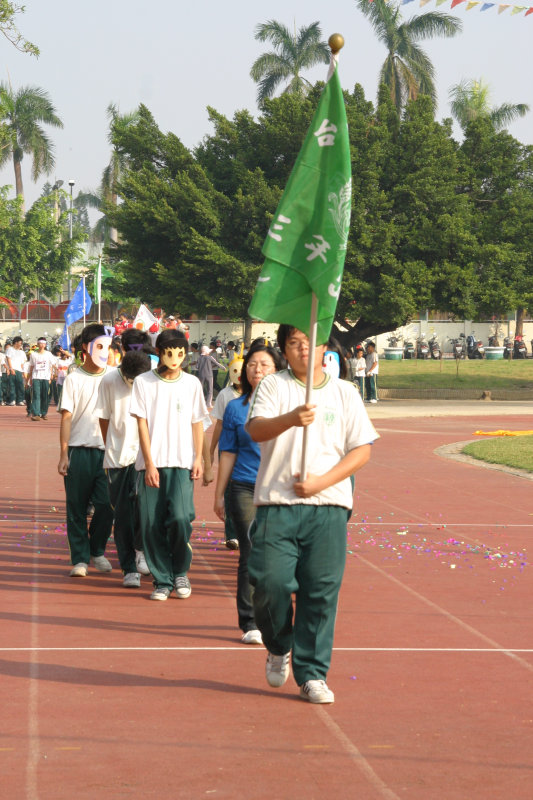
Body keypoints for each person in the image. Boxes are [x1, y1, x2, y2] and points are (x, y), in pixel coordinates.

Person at [246, 324, 378, 704]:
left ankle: (313, 673)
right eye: (294, 344)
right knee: (269, 584)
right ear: (284, 349)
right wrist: (291, 418)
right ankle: (278, 643)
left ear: (325, 348)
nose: (303, 350)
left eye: (310, 343)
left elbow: (361, 450)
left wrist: (321, 483)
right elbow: (255, 429)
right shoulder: (274, 386)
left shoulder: (344, 392)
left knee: (320, 593)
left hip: (328, 506)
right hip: (277, 503)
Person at [130, 329, 207, 601]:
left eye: (180, 353)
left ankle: (180, 571)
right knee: (151, 523)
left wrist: (199, 458)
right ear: (159, 353)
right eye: (169, 352)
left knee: (181, 517)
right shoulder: (143, 383)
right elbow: (142, 424)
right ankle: (162, 580)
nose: (175, 358)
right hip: (152, 464)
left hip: (183, 463)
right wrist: (149, 463)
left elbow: (198, 423)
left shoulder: (192, 384)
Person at [214, 344, 283, 644]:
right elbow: (227, 452)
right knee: (251, 551)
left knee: (280, 555)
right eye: (253, 364)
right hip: (243, 486)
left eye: (265, 365)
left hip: (280, 487)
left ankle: (276, 613)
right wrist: (219, 494)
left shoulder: (287, 406)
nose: (258, 370)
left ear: (276, 370)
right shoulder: (235, 407)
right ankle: (250, 621)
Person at [57, 323, 115, 577]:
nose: (104, 351)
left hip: (108, 452)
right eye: (99, 346)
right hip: (79, 451)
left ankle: (97, 550)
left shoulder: (114, 376)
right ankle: (80, 558)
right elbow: (66, 417)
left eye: (107, 346)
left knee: (107, 505)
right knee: (77, 507)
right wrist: (63, 453)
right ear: (86, 347)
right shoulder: (73, 378)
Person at [97, 349, 152, 588]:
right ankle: (129, 568)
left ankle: (141, 550)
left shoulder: (150, 381)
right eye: (130, 379)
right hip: (117, 457)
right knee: (122, 515)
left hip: (144, 456)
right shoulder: (108, 381)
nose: (133, 384)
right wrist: (111, 443)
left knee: (143, 507)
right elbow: (103, 417)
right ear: (123, 371)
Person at [209, 347, 245, 549]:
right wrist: (211, 450)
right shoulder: (225, 394)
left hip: (248, 449)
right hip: (228, 448)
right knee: (230, 491)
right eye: (236, 371)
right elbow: (219, 424)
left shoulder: (257, 393)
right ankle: (232, 534)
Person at [28, 336, 56, 420]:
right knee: (36, 395)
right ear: (37, 344)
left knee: (45, 395)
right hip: (36, 377)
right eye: (41, 343)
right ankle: (36, 414)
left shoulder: (49, 354)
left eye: (44, 343)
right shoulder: (33, 354)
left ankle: (44, 413)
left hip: (46, 377)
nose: (42, 345)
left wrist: (52, 375)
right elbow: (31, 366)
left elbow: (53, 364)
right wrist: (29, 378)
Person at [196, 345, 226, 409]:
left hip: (201, 375)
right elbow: (217, 363)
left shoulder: (199, 358)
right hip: (209, 375)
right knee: (210, 390)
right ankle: (208, 403)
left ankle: (199, 402)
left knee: (201, 389)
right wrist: (223, 368)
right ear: (207, 352)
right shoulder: (209, 357)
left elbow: (197, 367)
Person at [5, 336, 26, 406]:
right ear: (16, 342)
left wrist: (23, 372)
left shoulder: (22, 352)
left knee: (20, 386)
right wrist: (11, 369)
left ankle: (19, 400)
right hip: (12, 370)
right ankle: (12, 400)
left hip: (19, 371)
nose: (21, 344)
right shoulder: (10, 349)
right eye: (20, 343)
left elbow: (22, 363)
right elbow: (8, 359)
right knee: (12, 385)